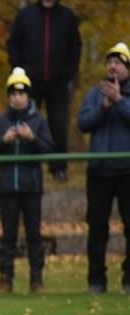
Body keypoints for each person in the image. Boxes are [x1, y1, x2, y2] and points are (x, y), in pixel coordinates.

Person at [0, 67, 54, 293]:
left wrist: (32, 137)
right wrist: (4, 140)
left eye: (21, 93)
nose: (17, 97)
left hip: (31, 186)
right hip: (7, 186)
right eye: (13, 93)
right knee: (8, 235)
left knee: (34, 233)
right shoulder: (1, 121)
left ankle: (36, 278)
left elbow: (49, 148)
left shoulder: (39, 120)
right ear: (9, 96)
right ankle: (6, 277)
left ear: (28, 95)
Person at [7, 0, 81, 182]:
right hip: (30, 82)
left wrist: (68, 73)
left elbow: (76, 47)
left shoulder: (67, 16)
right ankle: (25, 166)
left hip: (58, 83)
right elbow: (13, 43)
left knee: (58, 124)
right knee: (27, 123)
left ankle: (58, 168)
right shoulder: (26, 15)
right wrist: (20, 69)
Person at [77, 43, 130, 295]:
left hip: (126, 171)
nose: (112, 66)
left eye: (118, 62)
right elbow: (83, 123)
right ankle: (96, 280)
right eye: (110, 61)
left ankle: (129, 279)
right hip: (99, 172)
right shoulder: (94, 94)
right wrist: (104, 106)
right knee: (97, 228)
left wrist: (119, 101)